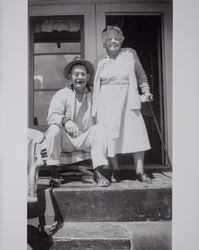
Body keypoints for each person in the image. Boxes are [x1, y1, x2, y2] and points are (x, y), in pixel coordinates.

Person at [92, 26, 153, 183]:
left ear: (121, 40)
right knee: (111, 135)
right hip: (106, 101)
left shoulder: (130, 54)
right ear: (104, 43)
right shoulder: (99, 60)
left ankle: (140, 171)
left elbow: (141, 75)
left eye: (117, 38)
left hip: (128, 97)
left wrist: (145, 91)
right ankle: (115, 170)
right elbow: (93, 83)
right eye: (110, 38)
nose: (114, 41)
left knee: (136, 132)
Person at [43, 58, 110, 187]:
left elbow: (103, 115)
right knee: (53, 129)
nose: (80, 78)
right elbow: (52, 116)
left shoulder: (95, 95)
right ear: (70, 77)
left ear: (88, 76)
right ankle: (55, 174)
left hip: (84, 139)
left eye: (83, 74)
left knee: (100, 129)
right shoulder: (62, 94)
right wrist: (66, 121)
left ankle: (98, 173)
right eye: (76, 74)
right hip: (67, 140)